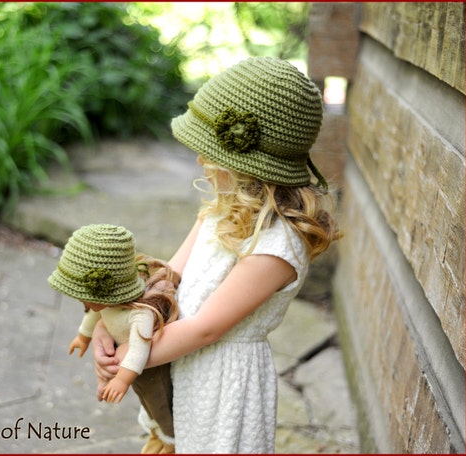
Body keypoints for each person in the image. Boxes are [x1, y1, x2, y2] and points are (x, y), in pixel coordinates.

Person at [92, 56, 342, 453]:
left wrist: (131, 357)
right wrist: (116, 321)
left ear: (248, 164)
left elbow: (207, 327)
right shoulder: (221, 209)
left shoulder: (279, 245)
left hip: (222, 381)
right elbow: (167, 275)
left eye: (210, 152)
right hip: (179, 355)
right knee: (171, 438)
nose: (199, 160)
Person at [47, 224, 180, 453]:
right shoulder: (107, 303)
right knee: (145, 402)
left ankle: (171, 440)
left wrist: (122, 380)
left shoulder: (140, 315)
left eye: (85, 298)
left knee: (159, 403)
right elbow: (94, 314)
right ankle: (156, 431)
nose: (84, 304)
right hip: (126, 364)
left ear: (106, 290)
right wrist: (83, 336)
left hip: (149, 370)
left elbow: (139, 349)